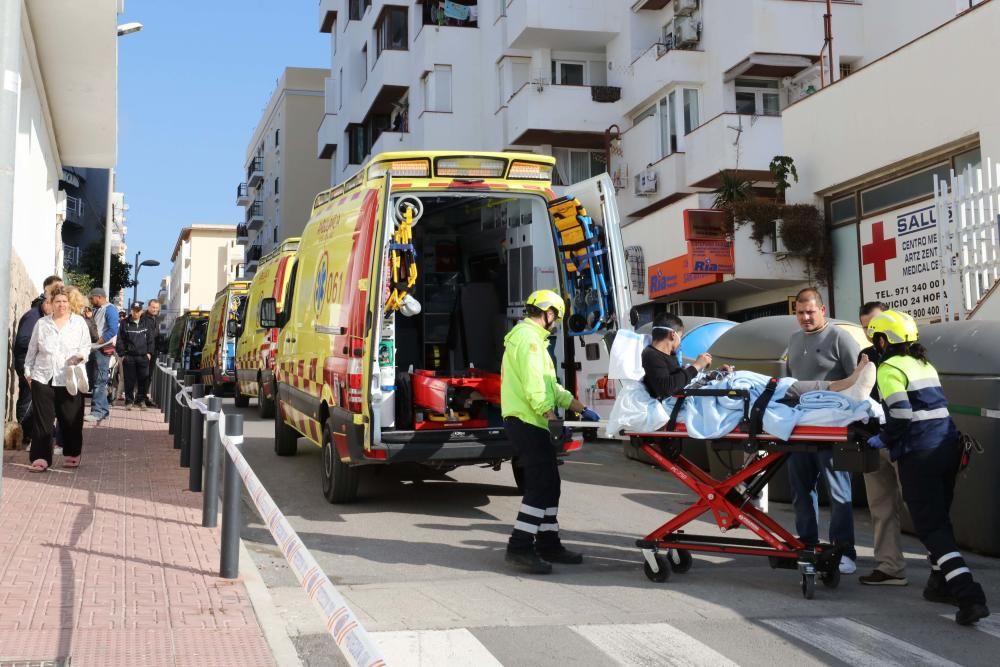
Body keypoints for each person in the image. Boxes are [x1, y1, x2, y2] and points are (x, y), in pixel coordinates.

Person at [866, 310, 989, 625]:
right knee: (940, 519)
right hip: (948, 447)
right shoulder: (923, 364)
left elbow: (902, 414)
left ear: (883, 340)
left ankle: (968, 595)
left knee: (931, 528)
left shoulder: (889, 367)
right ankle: (940, 584)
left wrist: (882, 438)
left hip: (919, 453)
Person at [501, 289, 598, 574]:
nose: (556, 322)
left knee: (551, 485)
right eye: (556, 316)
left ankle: (548, 543)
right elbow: (534, 384)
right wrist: (549, 413)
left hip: (530, 420)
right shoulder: (529, 340)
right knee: (541, 485)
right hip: (527, 421)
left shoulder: (533, 339)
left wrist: (578, 407)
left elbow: (549, 385)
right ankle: (519, 547)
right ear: (549, 313)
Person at [786, 287, 860, 574]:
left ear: (822, 310)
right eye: (800, 313)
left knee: (839, 493)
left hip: (834, 430)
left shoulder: (840, 338)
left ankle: (845, 551)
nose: (805, 317)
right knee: (801, 491)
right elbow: (792, 382)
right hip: (800, 428)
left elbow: (859, 380)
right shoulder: (793, 340)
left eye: (810, 312)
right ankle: (808, 545)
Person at [855, 301, 908, 586]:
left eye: (874, 325)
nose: (870, 332)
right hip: (874, 440)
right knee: (881, 506)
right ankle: (890, 567)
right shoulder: (866, 355)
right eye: (865, 327)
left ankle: (942, 567)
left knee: (920, 504)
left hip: (903, 440)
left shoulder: (907, 354)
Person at [22, 288, 91, 471]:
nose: (61, 304)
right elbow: (32, 350)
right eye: (58, 301)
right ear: (51, 303)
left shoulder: (79, 323)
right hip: (43, 377)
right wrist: (29, 373)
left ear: (70, 303)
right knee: (42, 421)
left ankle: (72, 453)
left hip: (69, 377)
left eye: (64, 301)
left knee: (70, 419)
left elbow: (86, 348)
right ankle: (40, 457)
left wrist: (79, 358)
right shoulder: (42, 324)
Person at [13, 275, 63, 439]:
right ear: (47, 302)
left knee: (38, 401)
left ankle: (35, 432)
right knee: (28, 400)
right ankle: (26, 434)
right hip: (28, 364)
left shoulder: (43, 317)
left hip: (37, 364)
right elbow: (23, 340)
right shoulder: (33, 317)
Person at [640, 313, 713, 400]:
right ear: (673, 335)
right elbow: (665, 388)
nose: (680, 342)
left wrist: (713, 376)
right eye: (680, 337)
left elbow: (681, 379)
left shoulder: (670, 355)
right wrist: (696, 366)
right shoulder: (651, 355)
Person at [85, 288, 119, 423]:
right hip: (95, 349)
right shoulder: (96, 309)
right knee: (95, 380)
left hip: (102, 349)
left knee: (99, 381)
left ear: (98, 297)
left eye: (91, 298)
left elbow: (112, 330)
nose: (90, 301)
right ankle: (102, 410)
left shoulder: (110, 309)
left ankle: (98, 411)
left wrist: (98, 343)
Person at [117, 302, 155, 410]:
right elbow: (120, 340)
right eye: (134, 310)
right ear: (131, 310)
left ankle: (141, 401)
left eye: (138, 310)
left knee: (143, 380)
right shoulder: (124, 323)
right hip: (129, 357)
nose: (136, 313)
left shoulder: (146, 322)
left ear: (141, 311)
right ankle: (129, 401)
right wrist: (122, 354)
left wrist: (149, 353)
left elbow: (151, 339)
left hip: (143, 356)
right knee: (129, 380)